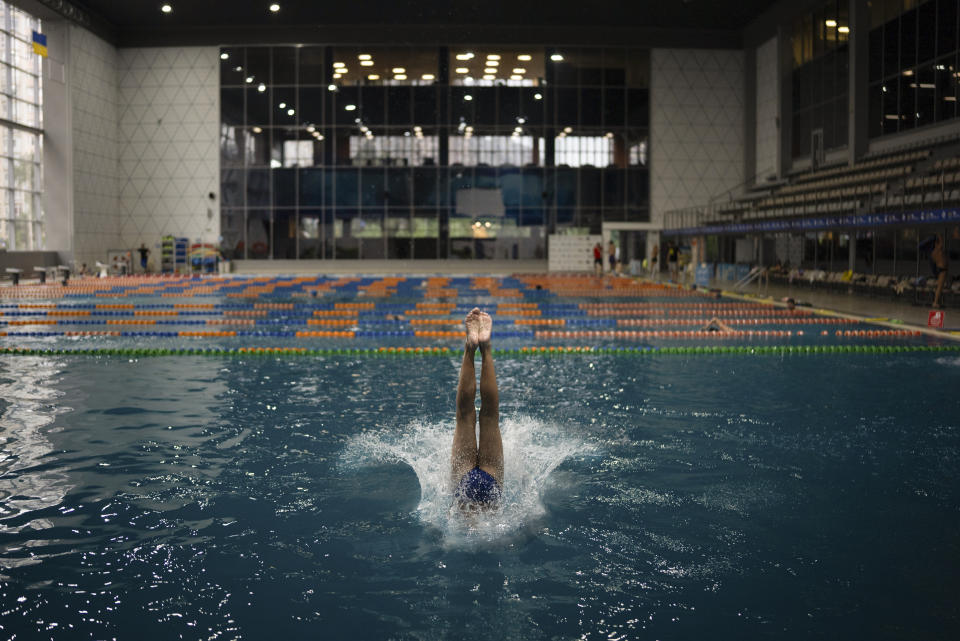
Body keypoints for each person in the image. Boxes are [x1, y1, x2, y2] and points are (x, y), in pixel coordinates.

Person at [451, 308, 503, 512]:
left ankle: (474, 346)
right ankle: (480, 346)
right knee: (475, 415)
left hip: (466, 493)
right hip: (489, 491)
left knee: (482, 415)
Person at [931, 233, 948, 309]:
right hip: (942, 271)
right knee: (939, 287)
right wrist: (939, 235)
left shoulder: (933, 252)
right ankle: (935, 302)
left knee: (939, 287)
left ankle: (937, 301)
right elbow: (941, 243)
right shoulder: (938, 249)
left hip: (940, 269)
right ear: (936, 244)